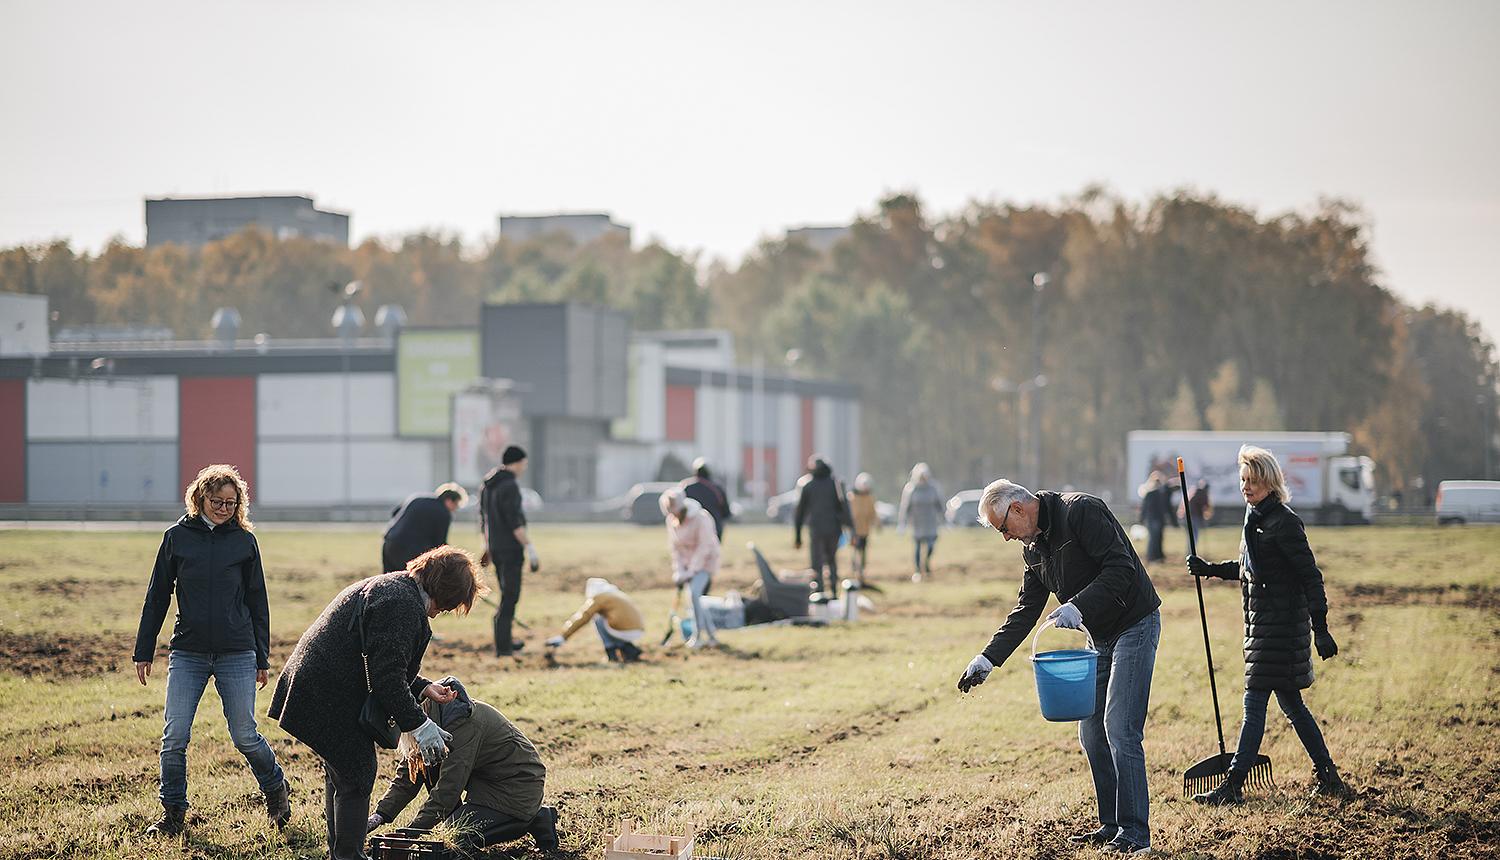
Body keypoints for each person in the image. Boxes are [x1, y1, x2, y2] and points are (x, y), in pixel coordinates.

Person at [957, 479, 1162, 856]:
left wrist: (1078, 605)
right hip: (1097, 638)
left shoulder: (1081, 511)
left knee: (1119, 727)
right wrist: (987, 658)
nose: (1004, 538)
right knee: (1091, 733)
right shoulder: (1032, 548)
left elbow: (1122, 568)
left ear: (1017, 509)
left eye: (1002, 528)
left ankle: (1136, 834)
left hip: (1134, 623)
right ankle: (1112, 825)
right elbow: (1025, 611)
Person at [268, 546, 486, 860]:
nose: (444, 612)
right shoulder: (401, 604)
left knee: (344, 771)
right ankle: (350, 855)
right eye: (451, 605)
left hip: (318, 687)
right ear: (446, 591)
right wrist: (421, 726)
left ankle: (342, 854)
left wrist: (424, 687)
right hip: (326, 693)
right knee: (356, 772)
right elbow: (386, 679)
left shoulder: (399, 588)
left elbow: (383, 661)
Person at [1187, 445, 1352, 805]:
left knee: (1254, 705)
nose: (1246, 487)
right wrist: (1211, 569)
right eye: (1243, 480)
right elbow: (1252, 569)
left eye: (1253, 481)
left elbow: (1311, 577)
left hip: (1280, 629)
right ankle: (1330, 778)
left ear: (1270, 483)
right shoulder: (1255, 519)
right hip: (1262, 628)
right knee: (1293, 705)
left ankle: (1232, 787)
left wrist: (1320, 629)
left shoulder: (1284, 522)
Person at [133, 464, 290, 837]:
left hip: (237, 651)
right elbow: (157, 596)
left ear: (239, 505)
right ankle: (172, 814)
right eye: (216, 501)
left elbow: (258, 602)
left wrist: (262, 657)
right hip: (188, 651)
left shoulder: (245, 542)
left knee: (244, 734)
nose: (223, 508)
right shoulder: (176, 537)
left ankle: (275, 788)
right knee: (174, 736)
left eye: (230, 503)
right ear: (199, 498)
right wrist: (144, 649)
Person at [367, 676, 558, 852]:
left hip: (515, 789)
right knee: (430, 768)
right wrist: (379, 815)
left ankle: (534, 817)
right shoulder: (427, 716)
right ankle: (517, 815)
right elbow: (410, 775)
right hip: (486, 784)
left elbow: (449, 788)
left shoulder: (461, 723)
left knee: (452, 839)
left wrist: (411, 833)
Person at [480, 445, 539, 657]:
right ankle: (503, 648)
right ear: (517, 462)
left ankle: (505, 640)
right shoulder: (510, 485)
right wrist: (529, 547)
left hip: (495, 546)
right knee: (510, 596)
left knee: (506, 594)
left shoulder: (488, 485)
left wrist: (486, 546)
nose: (524, 467)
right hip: (511, 549)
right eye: (524, 463)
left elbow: (484, 519)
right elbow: (514, 521)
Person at [660, 487, 721, 649]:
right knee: (695, 598)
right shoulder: (671, 522)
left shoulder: (701, 518)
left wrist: (692, 570)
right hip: (687, 566)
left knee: (694, 594)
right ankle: (712, 635)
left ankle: (697, 636)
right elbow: (675, 549)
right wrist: (679, 571)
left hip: (706, 561)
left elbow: (705, 546)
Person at [544, 577, 647, 663]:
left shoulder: (599, 598)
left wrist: (563, 636)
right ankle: (628, 649)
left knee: (597, 619)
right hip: (638, 629)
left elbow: (584, 616)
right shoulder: (616, 594)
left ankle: (611, 652)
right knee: (606, 618)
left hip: (622, 630)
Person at [792, 455, 852, 594]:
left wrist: (797, 537)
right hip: (834, 530)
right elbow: (844, 508)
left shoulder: (807, 484)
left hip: (816, 530)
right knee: (832, 561)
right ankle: (834, 592)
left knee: (816, 565)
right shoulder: (835, 483)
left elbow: (799, 512)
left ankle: (818, 595)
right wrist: (850, 529)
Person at [382, 483, 467, 573]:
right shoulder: (443, 513)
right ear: (449, 501)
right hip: (409, 548)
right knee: (411, 580)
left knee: (387, 580)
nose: (455, 509)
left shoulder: (417, 498)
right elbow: (440, 544)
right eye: (456, 505)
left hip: (389, 540)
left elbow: (395, 512)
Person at [896, 462, 945, 582]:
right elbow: (905, 507)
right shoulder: (910, 489)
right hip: (917, 523)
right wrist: (902, 523)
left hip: (930, 522)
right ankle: (918, 569)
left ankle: (926, 563)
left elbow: (940, 504)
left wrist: (945, 519)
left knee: (930, 545)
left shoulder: (934, 488)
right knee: (917, 547)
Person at [681, 456, 732, 541]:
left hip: (691, 531)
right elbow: (726, 512)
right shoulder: (717, 488)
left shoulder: (686, 487)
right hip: (713, 529)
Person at [846, 472, 881, 584]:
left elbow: (872, 512)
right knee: (855, 549)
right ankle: (854, 569)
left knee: (863, 550)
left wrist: (877, 524)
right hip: (854, 529)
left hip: (865, 529)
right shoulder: (852, 496)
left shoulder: (870, 497)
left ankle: (862, 570)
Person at [1137, 471, 1177, 563]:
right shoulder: (1153, 493)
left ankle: (1157, 555)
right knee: (1154, 537)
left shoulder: (1154, 493)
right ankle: (1152, 555)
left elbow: (1144, 507)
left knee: (1157, 537)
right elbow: (1146, 507)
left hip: (1155, 518)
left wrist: (1142, 518)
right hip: (1154, 518)